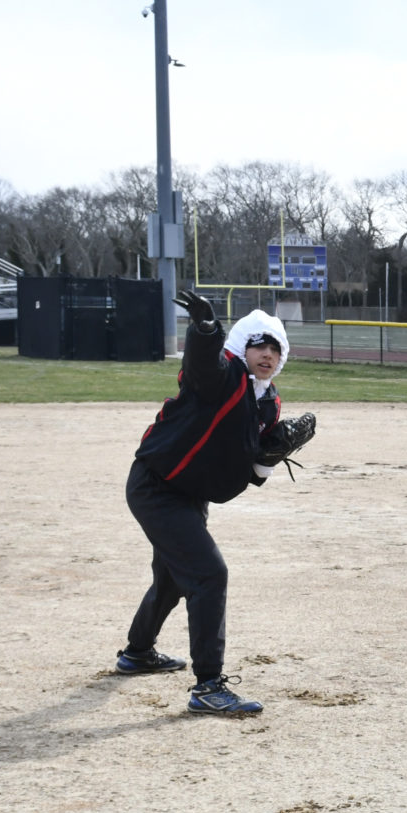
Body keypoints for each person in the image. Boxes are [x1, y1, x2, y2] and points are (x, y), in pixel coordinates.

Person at [119, 292, 312, 716]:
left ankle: (136, 652)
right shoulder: (222, 378)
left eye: (276, 347)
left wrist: (272, 453)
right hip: (157, 486)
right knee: (209, 574)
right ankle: (208, 686)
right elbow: (202, 365)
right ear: (241, 346)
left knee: (174, 578)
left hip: (188, 492)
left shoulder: (268, 401)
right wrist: (205, 330)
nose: (267, 354)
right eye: (259, 344)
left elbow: (251, 471)